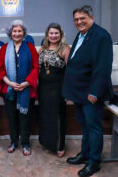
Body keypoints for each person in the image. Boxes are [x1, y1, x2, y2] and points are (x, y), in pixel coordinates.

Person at [62, 5, 113, 177]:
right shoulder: (81, 34)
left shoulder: (101, 36)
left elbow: (102, 68)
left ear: (91, 18)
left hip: (91, 94)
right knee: (84, 126)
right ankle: (85, 154)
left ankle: (94, 162)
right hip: (79, 92)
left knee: (93, 128)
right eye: (76, 19)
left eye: (82, 18)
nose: (79, 22)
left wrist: (94, 92)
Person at [0, 20, 39, 156]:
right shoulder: (4, 49)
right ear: (10, 33)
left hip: (26, 90)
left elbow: (36, 68)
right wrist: (9, 83)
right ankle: (13, 141)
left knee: (25, 118)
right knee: (12, 117)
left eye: (19, 31)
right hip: (9, 90)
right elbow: (0, 69)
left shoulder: (31, 48)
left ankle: (25, 143)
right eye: (14, 31)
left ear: (24, 33)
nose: (16, 33)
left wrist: (27, 83)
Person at [38, 23, 70, 157]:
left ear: (60, 35)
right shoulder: (42, 49)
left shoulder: (65, 48)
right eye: (51, 33)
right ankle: (48, 143)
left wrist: (68, 91)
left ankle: (60, 146)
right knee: (46, 116)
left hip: (57, 88)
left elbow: (69, 72)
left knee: (58, 116)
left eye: (56, 33)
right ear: (47, 35)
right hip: (43, 89)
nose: (53, 36)